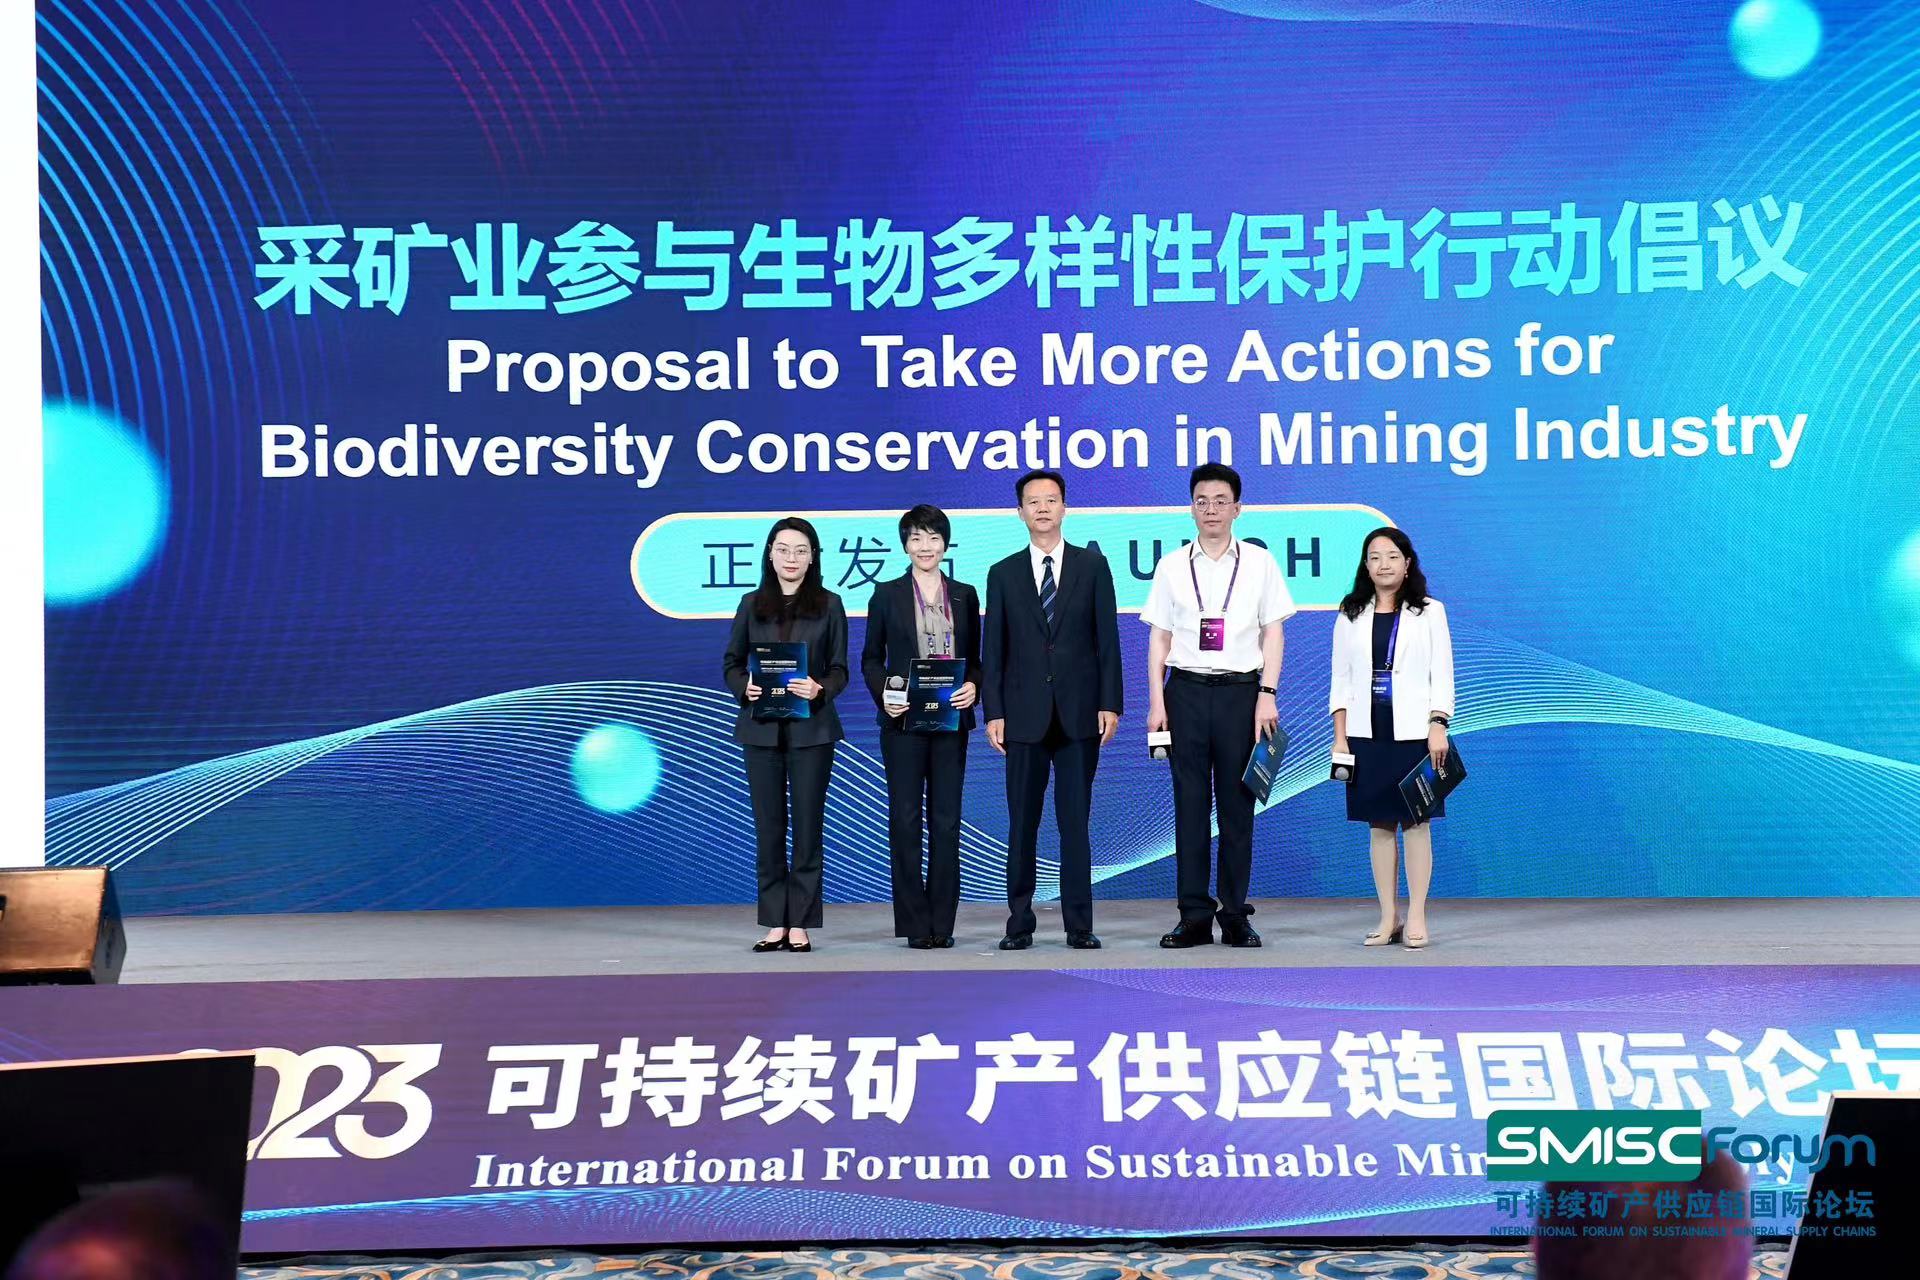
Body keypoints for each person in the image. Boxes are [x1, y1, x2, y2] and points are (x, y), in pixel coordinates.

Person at [1142, 463, 1296, 948]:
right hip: (1184, 693)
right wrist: (1156, 702)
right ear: (1191, 508)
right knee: (1189, 809)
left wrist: (1267, 694)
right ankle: (1192, 916)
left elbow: (1273, 632)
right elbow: (1159, 637)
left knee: (1236, 809)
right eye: (1202, 501)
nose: (1211, 509)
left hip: (1241, 696)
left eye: (1221, 501)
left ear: (1237, 508)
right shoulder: (1172, 565)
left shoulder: (1259, 562)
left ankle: (1234, 915)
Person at [982, 469, 1123, 950]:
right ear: (1019, 512)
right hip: (1022, 718)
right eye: (1033, 501)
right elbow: (993, 650)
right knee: (1022, 825)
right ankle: (1018, 923)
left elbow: (1108, 640)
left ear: (1065, 507)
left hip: (1079, 715)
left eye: (1051, 500)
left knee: (1075, 823)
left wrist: (1110, 702)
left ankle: (1079, 924)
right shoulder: (1002, 573)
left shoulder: (1092, 566)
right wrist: (994, 711)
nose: (1042, 508)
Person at [722, 517, 849, 953]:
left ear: (813, 557)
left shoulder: (830, 604)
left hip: (812, 732)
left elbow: (840, 669)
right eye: (783, 549)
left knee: (808, 829)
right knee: (769, 829)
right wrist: (745, 686)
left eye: (800, 550)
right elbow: (731, 663)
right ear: (770, 554)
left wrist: (820, 689)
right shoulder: (751, 603)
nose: (791, 558)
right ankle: (776, 920)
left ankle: (802, 923)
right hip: (761, 731)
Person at [861, 504, 982, 949]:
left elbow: (977, 660)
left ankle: (942, 923)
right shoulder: (886, 594)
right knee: (906, 820)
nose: (925, 546)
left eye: (933, 538)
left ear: (945, 544)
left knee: (946, 823)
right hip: (903, 723)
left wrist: (973, 686)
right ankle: (915, 924)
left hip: (951, 722)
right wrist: (886, 694)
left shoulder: (965, 595)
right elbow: (871, 658)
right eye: (916, 538)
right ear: (905, 545)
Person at [1329, 527, 1454, 950]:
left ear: (1407, 563)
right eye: (1374, 557)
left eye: (1392, 556)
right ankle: (1388, 916)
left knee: (1417, 824)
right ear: (1365, 566)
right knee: (1379, 826)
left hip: (1416, 732)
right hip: (1366, 733)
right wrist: (1340, 739)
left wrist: (1438, 723)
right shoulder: (1350, 612)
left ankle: (1416, 914)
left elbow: (1443, 673)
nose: (1383, 564)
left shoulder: (1430, 612)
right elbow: (1340, 679)